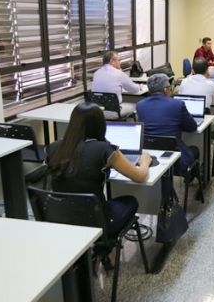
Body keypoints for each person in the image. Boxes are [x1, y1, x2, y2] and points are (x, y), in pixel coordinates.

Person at [45, 103, 151, 269]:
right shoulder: (104, 149)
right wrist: (145, 161)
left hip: (61, 217)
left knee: (94, 205)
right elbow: (140, 176)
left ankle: (103, 250)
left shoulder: (53, 148)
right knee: (130, 201)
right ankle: (104, 247)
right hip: (96, 220)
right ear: (100, 125)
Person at [136, 73, 200, 172]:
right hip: (175, 156)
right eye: (170, 88)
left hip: (150, 155)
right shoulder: (177, 104)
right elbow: (192, 127)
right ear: (166, 90)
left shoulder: (140, 105)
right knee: (195, 150)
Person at [179, 57, 214, 133]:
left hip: (185, 115)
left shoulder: (184, 81)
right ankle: (209, 141)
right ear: (207, 70)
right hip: (204, 115)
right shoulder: (212, 85)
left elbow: (181, 97)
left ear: (192, 70)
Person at [91, 51, 142, 119]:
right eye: (118, 60)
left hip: (98, 111)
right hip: (114, 111)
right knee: (137, 106)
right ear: (112, 61)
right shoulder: (118, 74)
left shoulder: (96, 73)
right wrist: (140, 87)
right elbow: (134, 89)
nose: (120, 62)